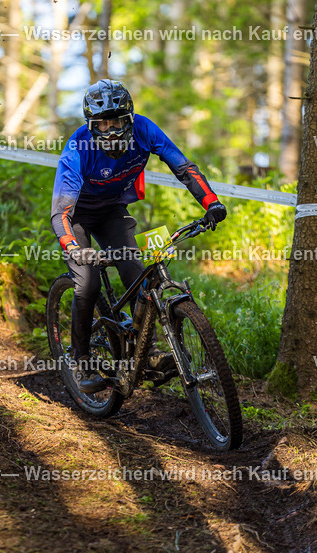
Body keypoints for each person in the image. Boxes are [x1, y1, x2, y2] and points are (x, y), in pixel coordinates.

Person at [50, 79, 228, 393]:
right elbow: (60, 211)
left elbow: (183, 167)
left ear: (130, 119)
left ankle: (149, 352)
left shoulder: (145, 130)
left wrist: (210, 202)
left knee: (137, 274)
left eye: (117, 122)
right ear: (91, 126)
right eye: (102, 124)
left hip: (112, 211)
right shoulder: (78, 149)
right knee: (88, 283)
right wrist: (73, 247)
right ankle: (81, 359)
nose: (111, 132)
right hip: (77, 216)